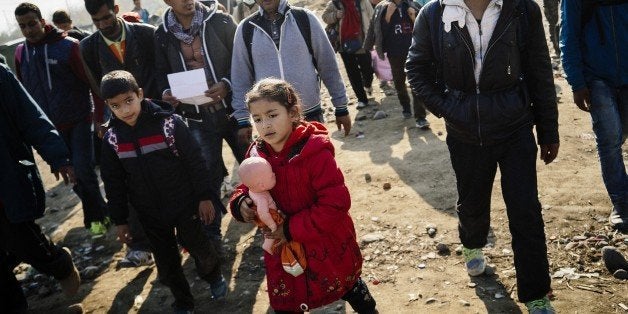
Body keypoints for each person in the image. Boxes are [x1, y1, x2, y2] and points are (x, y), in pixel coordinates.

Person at [406, 0, 559, 313]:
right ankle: (472, 244)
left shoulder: (522, 10)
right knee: (473, 201)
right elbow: (416, 70)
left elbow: (539, 71)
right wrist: (451, 110)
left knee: (525, 211)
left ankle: (536, 294)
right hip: (465, 133)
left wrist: (548, 130)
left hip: (515, 128)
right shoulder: (433, 14)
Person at [229, 78, 376, 313]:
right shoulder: (256, 153)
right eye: (257, 119)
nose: (265, 125)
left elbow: (335, 203)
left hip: (324, 242)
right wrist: (240, 203)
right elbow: (249, 186)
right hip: (282, 249)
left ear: (293, 113)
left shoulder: (315, 152)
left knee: (348, 286)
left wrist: (289, 229)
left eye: (272, 115)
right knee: (288, 299)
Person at [99, 70, 227, 311]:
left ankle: (213, 276)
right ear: (108, 106)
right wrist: (121, 221)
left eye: (129, 101)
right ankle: (184, 302)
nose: (125, 110)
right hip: (149, 213)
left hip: (185, 204)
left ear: (139, 94)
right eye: (116, 106)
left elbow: (195, 162)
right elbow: (113, 183)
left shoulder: (169, 123)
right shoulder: (112, 139)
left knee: (201, 248)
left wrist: (204, 197)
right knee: (167, 263)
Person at [14, 2, 110, 238]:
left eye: (31, 23)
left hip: (80, 120)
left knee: (85, 171)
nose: (28, 30)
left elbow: (93, 84)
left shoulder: (69, 46)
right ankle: (103, 212)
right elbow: (23, 95)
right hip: (49, 129)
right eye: (22, 26)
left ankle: (96, 219)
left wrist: (99, 118)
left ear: (42, 21)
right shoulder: (20, 53)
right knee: (72, 176)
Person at [155, 0, 241, 255]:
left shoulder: (221, 21)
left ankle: (272, 218)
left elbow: (241, 60)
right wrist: (166, 92)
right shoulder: (161, 35)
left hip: (234, 110)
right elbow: (161, 72)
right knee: (206, 175)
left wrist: (226, 83)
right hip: (196, 117)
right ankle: (211, 234)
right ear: (168, 2)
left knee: (253, 164)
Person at [81, 0, 157, 267]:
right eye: (97, 21)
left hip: (154, 118)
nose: (103, 25)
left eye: (106, 18)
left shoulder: (147, 33)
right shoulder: (88, 47)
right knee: (131, 181)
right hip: (121, 124)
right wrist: (102, 121)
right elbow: (97, 89)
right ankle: (140, 245)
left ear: (115, 8)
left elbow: (160, 74)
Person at [0, 62, 81, 312]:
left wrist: (58, 156)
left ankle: (59, 264)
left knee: (24, 241)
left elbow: (31, 118)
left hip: (5, 182)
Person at [231, 0, 352, 146]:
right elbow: (240, 77)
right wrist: (242, 120)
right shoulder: (246, 29)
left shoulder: (305, 19)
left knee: (319, 163)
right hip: (270, 121)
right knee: (284, 168)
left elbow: (327, 65)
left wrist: (341, 107)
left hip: (310, 114)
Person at [560, 0, 628, 232]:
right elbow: (568, 35)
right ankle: (622, 203)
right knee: (609, 139)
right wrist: (577, 82)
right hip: (597, 78)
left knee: (619, 135)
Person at [364, 0, 430, 129]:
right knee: (399, 82)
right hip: (395, 53)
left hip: (414, 51)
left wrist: (413, 17)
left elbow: (424, 27)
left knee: (416, 82)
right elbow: (379, 31)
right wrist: (388, 16)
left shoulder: (413, 5)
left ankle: (420, 117)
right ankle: (406, 107)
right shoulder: (382, 8)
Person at [322, 0, 375, 109]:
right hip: (344, 44)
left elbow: (372, 18)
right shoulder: (335, 3)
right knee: (352, 73)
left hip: (362, 42)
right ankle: (361, 99)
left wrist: (374, 38)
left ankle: (367, 84)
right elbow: (325, 17)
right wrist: (335, 15)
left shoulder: (363, 2)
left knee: (368, 68)